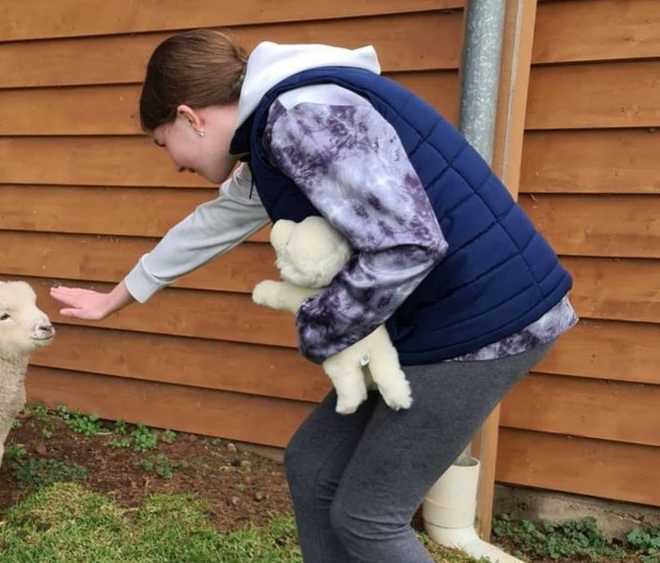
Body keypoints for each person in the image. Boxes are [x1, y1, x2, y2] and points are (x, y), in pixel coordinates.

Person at [50, 29, 577, 562]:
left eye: (165, 144)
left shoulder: (304, 117)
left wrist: (321, 327)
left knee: (369, 519)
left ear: (190, 117)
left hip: (485, 320)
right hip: (441, 314)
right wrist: (117, 296)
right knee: (314, 466)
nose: (173, 164)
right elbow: (215, 222)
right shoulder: (272, 130)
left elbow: (407, 244)